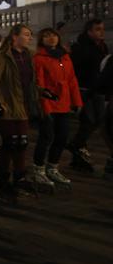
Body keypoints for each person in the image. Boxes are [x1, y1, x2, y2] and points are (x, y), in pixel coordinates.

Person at [0, 25, 49, 199]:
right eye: (26, 35)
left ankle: (19, 178)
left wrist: (41, 91)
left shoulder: (28, 56)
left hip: (23, 106)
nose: (30, 38)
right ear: (15, 37)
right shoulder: (3, 57)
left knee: (22, 143)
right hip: (6, 107)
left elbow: (29, 82)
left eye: (30, 35)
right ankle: (2, 182)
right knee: (10, 143)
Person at [32, 28, 82, 187]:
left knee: (62, 137)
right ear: (41, 40)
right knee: (46, 137)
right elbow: (40, 85)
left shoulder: (65, 56)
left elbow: (72, 80)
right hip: (48, 102)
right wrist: (45, 107)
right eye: (46, 36)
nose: (51, 38)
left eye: (53, 35)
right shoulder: (39, 58)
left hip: (64, 103)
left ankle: (53, 167)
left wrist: (77, 101)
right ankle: (38, 170)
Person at [67, 19, 109, 173]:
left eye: (102, 29)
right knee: (89, 121)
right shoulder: (80, 48)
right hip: (84, 89)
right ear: (89, 32)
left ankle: (77, 151)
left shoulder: (102, 46)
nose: (101, 32)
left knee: (97, 121)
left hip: (96, 89)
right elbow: (75, 69)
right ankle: (76, 145)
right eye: (98, 29)